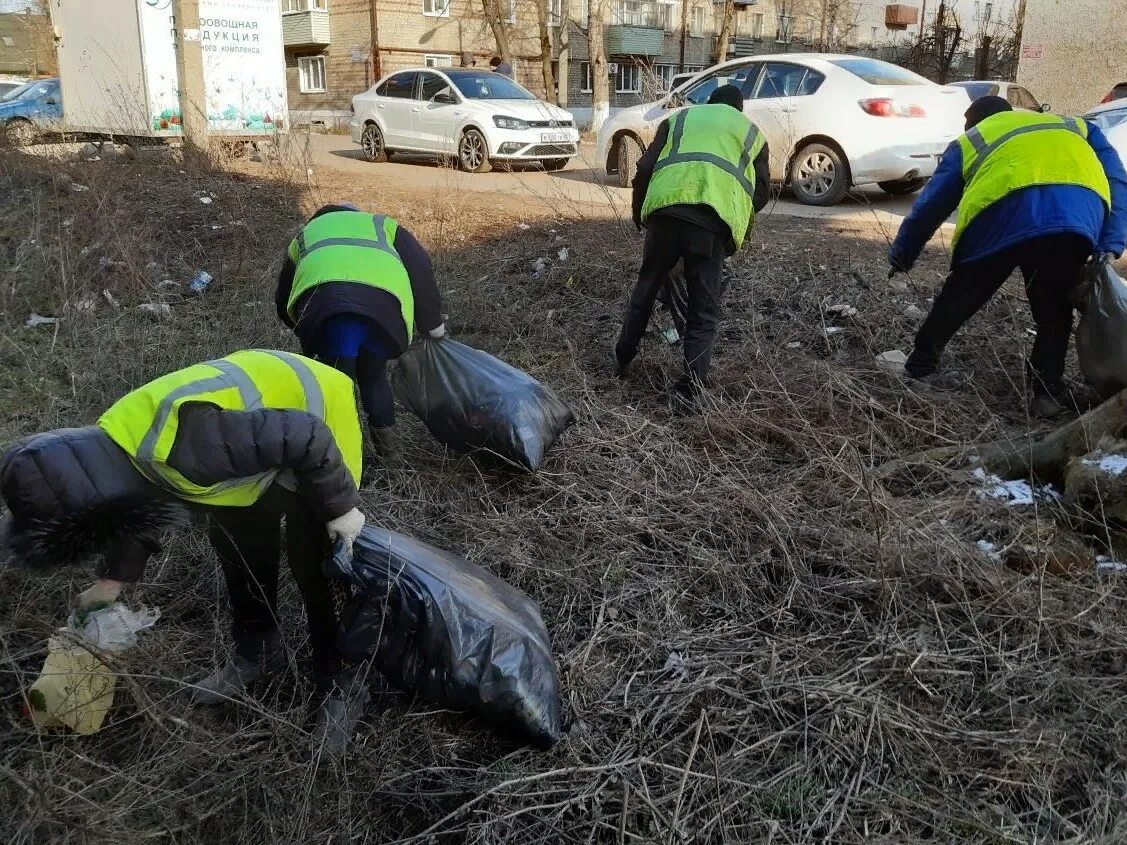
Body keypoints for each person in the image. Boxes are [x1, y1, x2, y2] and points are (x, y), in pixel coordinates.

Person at [1, 350, 369, 757]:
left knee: (316, 566)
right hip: (254, 451)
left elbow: (306, 434)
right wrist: (107, 587)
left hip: (317, 420)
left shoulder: (189, 444)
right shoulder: (116, 452)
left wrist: (340, 508)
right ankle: (257, 652)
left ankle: (343, 686)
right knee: (239, 548)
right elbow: (133, 509)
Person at [888, 95, 1127, 417]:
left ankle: (919, 369)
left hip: (998, 219)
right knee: (1054, 314)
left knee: (960, 297)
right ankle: (1046, 393)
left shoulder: (972, 139)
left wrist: (903, 255)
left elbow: (931, 206)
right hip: (1070, 221)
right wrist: (1109, 243)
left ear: (972, 122)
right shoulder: (1078, 126)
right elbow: (1117, 181)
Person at [615, 84, 770, 409]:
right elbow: (760, 194)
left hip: (665, 214)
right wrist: (734, 224)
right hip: (712, 224)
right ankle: (689, 392)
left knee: (645, 290)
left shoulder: (678, 120)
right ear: (738, 110)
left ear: (709, 104)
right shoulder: (752, 133)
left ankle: (621, 361)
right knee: (703, 311)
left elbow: (643, 169)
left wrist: (639, 214)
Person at [276, 204, 445, 458]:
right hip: (382, 310)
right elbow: (420, 265)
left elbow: (284, 292)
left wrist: (304, 329)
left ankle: (343, 461)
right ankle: (390, 456)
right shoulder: (381, 225)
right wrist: (431, 324)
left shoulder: (307, 233)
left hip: (327, 312)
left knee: (338, 386)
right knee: (374, 377)